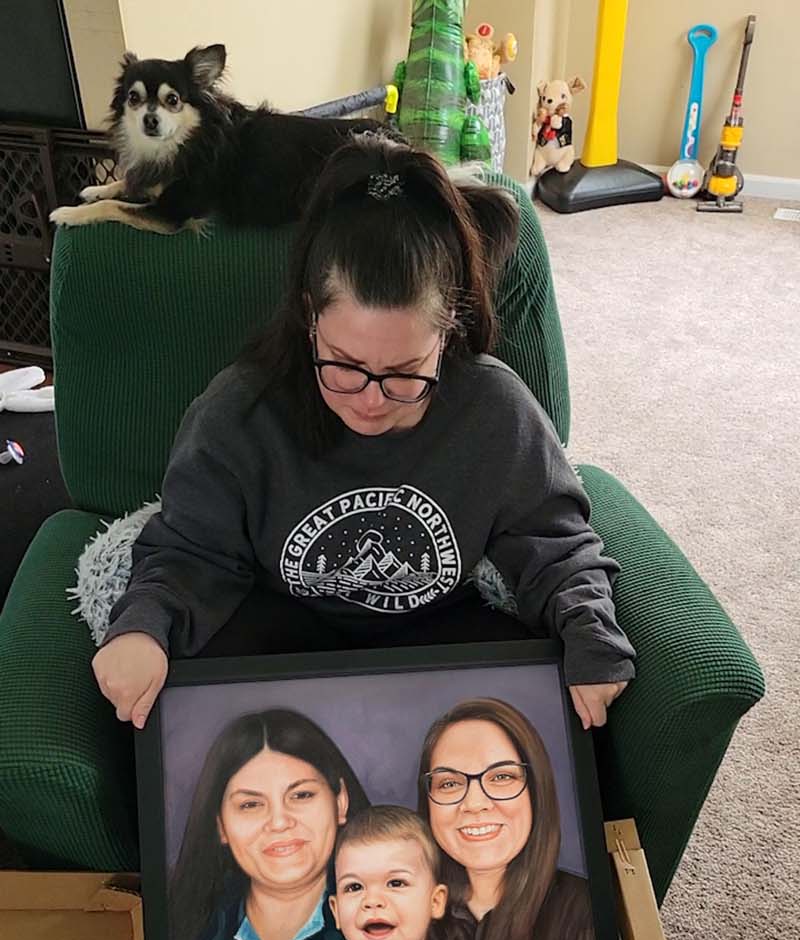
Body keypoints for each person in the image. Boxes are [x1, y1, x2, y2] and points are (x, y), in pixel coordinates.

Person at [91, 132, 635, 734]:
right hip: (280, 641)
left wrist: (589, 630)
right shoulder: (237, 413)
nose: (372, 403)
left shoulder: (495, 407)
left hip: (440, 643)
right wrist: (141, 627)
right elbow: (188, 553)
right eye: (345, 366)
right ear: (308, 317)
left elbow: (553, 542)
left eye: (405, 374)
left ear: (449, 333)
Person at [169, 708, 369, 940]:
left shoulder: (399, 932)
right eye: (250, 804)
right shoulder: (177, 939)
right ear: (221, 825)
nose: (279, 822)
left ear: (340, 802)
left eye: (301, 795)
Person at [417, 697, 599, 940]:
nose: (474, 804)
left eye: (502, 776)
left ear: (537, 792)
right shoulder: (398, 914)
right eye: (449, 783)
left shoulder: (588, 912)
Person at [329, 805, 500, 940]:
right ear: (336, 911)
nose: (372, 901)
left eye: (396, 883)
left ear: (435, 902)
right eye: (354, 887)